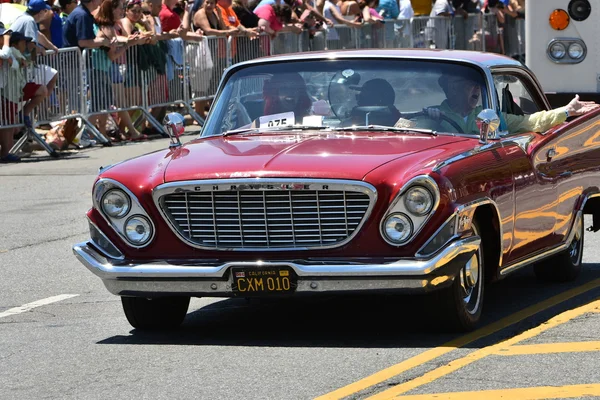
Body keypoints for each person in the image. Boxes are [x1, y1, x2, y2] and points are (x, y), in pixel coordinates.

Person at [418, 69, 600, 134]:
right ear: (452, 88)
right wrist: (429, 121)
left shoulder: (492, 117)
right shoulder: (430, 115)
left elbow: (530, 122)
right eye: (470, 85)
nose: (476, 90)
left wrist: (566, 111)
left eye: (478, 86)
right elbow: (399, 131)